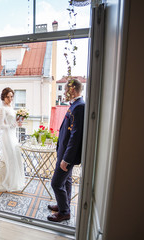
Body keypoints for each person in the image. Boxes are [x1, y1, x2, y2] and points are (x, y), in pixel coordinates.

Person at [47, 79, 85, 222]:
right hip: (63, 152)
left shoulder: (79, 107)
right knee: (66, 181)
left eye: (66, 90)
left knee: (56, 183)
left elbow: (75, 137)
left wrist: (66, 159)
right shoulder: (75, 105)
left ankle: (64, 212)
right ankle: (65, 204)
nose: (64, 92)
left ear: (73, 90)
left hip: (67, 156)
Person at [0, 87, 25, 192]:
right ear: (3, 97)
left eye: (11, 96)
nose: (10, 99)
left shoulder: (11, 108)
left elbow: (13, 122)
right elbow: (0, 125)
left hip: (13, 136)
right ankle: (5, 183)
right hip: (6, 137)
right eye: (7, 97)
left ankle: (13, 182)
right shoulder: (2, 109)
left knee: (15, 158)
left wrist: (18, 122)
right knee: (9, 159)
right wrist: (11, 125)